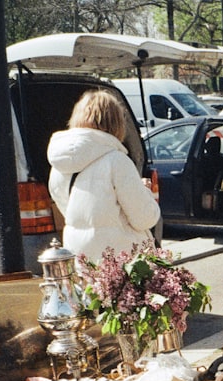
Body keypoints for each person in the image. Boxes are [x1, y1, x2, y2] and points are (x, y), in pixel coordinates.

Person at [47, 89, 160, 263]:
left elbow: (77, 214)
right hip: (120, 260)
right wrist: (145, 191)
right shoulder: (117, 161)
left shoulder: (58, 165)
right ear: (115, 123)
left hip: (80, 256)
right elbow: (144, 219)